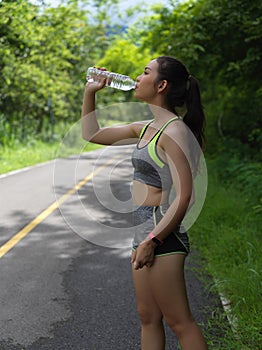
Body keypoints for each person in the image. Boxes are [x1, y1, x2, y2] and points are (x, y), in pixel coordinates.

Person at [81, 56, 208, 350]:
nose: (138, 77)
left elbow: (185, 196)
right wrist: (90, 92)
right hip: (143, 230)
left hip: (161, 232)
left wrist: (153, 239)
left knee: (180, 322)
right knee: (148, 317)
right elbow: (92, 134)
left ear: (161, 85)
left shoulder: (174, 132)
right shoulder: (146, 127)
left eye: (146, 72)